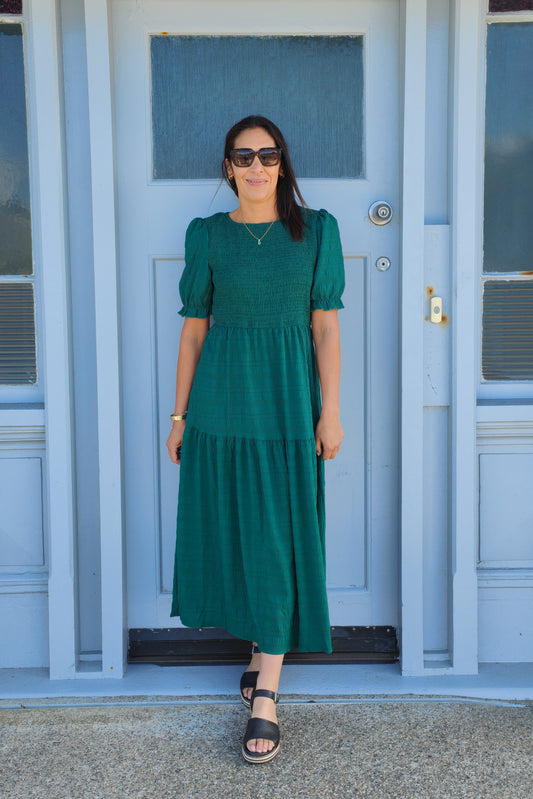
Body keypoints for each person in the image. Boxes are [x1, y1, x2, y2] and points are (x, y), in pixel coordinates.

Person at [166, 115, 345, 764]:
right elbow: (192, 332)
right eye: (243, 156)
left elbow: (324, 329)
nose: (257, 166)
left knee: (276, 536)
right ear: (227, 168)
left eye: (268, 155)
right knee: (237, 531)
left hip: (286, 408)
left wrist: (329, 412)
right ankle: (261, 646)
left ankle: (266, 690)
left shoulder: (316, 232)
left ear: (282, 164)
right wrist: (179, 416)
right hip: (220, 405)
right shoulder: (208, 236)